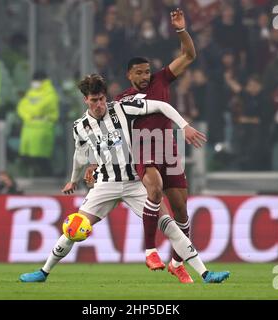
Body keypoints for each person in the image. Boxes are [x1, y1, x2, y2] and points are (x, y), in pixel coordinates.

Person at [19, 74, 230, 284]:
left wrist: (183, 125)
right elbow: (80, 156)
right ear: (86, 100)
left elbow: (161, 106)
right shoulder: (80, 126)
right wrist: (73, 180)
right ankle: (43, 272)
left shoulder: (122, 108)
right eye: (94, 100)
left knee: (169, 225)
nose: (99, 104)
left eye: (102, 99)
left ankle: (205, 273)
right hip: (105, 185)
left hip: (135, 182)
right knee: (75, 227)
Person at [113, 8, 198, 283]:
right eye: (139, 73)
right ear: (129, 75)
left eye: (147, 72)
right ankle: (150, 250)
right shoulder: (122, 99)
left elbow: (189, 56)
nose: (145, 77)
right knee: (155, 188)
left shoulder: (162, 79)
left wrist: (181, 29)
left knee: (182, 209)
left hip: (169, 149)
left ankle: (176, 261)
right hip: (144, 150)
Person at [17, 71, 59, 176]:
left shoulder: (50, 93)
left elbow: (38, 109)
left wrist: (29, 113)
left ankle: (48, 178)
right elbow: (21, 107)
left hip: (42, 129)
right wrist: (28, 115)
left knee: (41, 158)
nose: (35, 83)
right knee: (27, 158)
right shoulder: (31, 92)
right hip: (28, 129)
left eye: (37, 80)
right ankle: (37, 177)